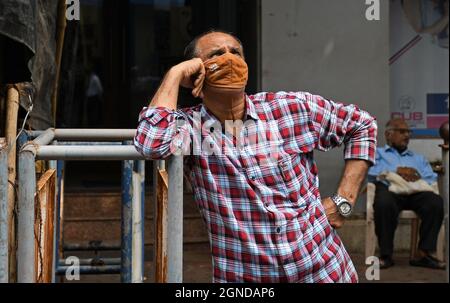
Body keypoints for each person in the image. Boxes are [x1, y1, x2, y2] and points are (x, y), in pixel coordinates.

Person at [134, 30, 377, 283]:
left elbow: (362, 125)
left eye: (235, 53)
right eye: (217, 54)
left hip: (324, 270)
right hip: (246, 277)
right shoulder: (189, 128)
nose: (229, 60)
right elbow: (151, 144)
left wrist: (343, 201)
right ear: (196, 72)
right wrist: (174, 75)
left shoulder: (289, 108)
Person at [368, 118, 444, 269]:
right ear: (388, 134)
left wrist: (415, 175)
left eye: (408, 132)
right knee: (384, 203)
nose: (407, 135)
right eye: (402, 131)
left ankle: (423, 254)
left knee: (435, 202)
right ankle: (386, 255)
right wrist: (396, 172)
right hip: (390, 189)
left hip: (415, 191)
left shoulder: (418, 158)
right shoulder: (378, 154)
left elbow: (430, 178)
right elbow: (370, 172)